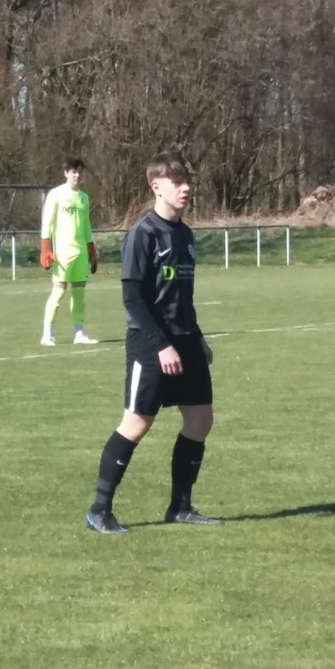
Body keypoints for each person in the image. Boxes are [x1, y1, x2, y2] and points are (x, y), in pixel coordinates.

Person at [85, 151, 220, 535]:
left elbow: (182, 298)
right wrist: (161, 345)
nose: (186, 188)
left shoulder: (185, 235)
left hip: (185, 340)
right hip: (150, 343)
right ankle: (99, 511)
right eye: (177, 182)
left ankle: (180, 507)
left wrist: (198, 338)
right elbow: (133, 300)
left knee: (200, 420)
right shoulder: (142, 235)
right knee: (137, 423)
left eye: (187, 181)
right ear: (156, 186)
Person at [40, 156, 99, 346]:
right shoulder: (56, 194)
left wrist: (92, 251)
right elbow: (47, 223)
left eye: (80, 172)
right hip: (62, 254)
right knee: (58, 292)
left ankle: (78, 333)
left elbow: (86, 227)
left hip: (80, 252)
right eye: (73, 171)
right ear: (66, 173)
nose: (77, 175)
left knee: (79, 294)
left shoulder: (84, 198)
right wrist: (45, 249)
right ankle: (47, 334)